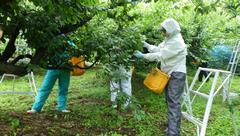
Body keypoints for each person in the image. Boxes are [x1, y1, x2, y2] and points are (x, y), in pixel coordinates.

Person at [134, 18, 187, 136]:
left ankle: (173, 133)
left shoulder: (177, 41)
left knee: (173, 103)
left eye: (165, 31)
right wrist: (147, 45)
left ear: (171, 29)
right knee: (170, 102)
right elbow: (159, 49)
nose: (163, 33)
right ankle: (172, 127)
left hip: (176, 74)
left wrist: (144, 56)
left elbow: (161, 55)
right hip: (169, 74)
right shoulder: (169, 39)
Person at [27, 33, 79, 114]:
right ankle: (36, 108)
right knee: (46, 88)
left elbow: (75, 52)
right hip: (54, 68)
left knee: (61, 89)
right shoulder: (54, 40)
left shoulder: (69, 42)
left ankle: (61, 108)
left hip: (64, 68)